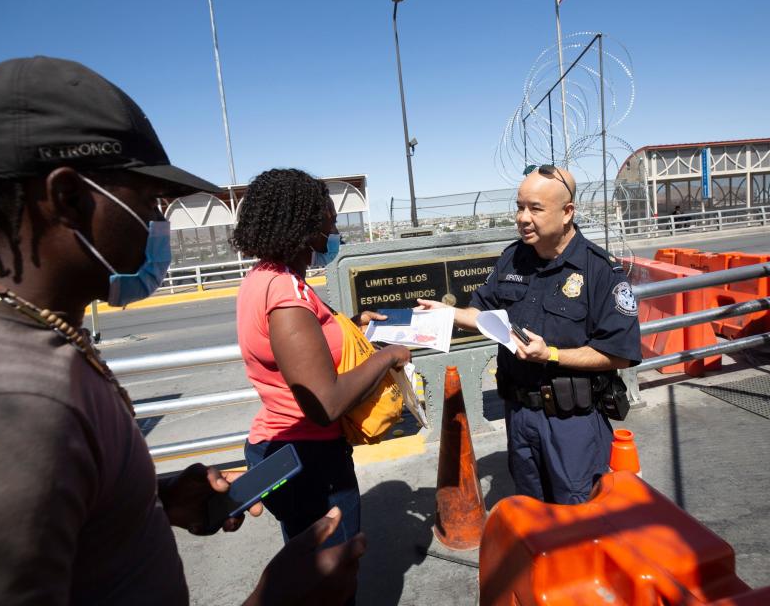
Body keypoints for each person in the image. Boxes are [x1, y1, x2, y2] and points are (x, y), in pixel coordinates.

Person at [0, 56, 362, 605]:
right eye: (149, 199)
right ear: (69, 200)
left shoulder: (24, 336)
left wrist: (149, 501)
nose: (160, 221)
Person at [418, 164, 641, 504]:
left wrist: (551, 354)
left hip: (572, 422)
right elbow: (482, 311)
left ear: (567, 212)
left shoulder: (599, 271)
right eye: (520, 207)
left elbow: (619, 353)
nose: (523, 218)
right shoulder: (513, 259)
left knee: (577, 511)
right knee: (532, 509)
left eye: (535, 208)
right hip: (520, 416)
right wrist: (449, 314)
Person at [232, 169, 411, 585]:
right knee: (331, 580)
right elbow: (325, 403)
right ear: (304, 227)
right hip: (310, 462)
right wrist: (386, 357)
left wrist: (351, 325)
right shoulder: (287, 295)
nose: (334, 232)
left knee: (305, 571)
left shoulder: (265, 278)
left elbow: (299, 349)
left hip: (281, 450)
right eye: (329, 224)